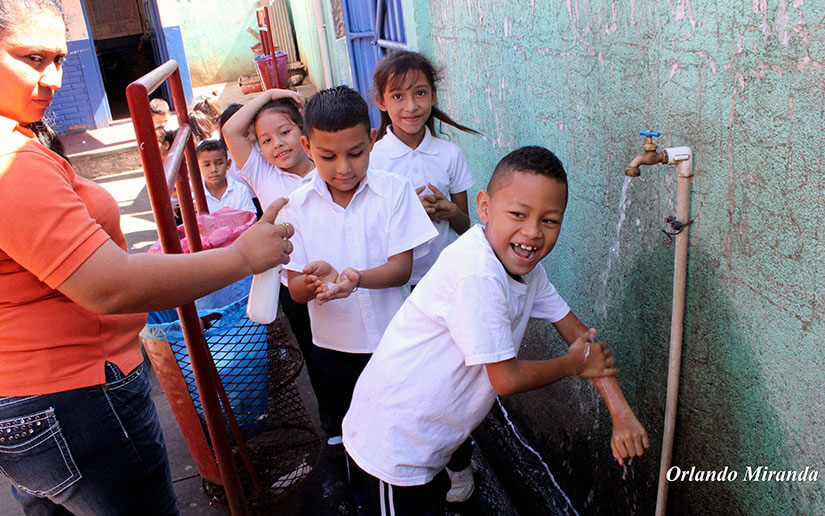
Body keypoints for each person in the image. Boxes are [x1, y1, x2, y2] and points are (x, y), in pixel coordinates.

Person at [0, 1, 294, 514]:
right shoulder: (12, 161)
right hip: (74, 398)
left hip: (29, 400)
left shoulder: (20, 138)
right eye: (31, 58)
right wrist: (245, 256)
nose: (51, 78)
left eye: (60, 60)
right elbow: (108, 285)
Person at [343, 146, 650, 516]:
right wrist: (571, 365)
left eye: (550, 221)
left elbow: (581, 339)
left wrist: (622, 414)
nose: (533, 232)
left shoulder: (526, 271)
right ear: (484, 207)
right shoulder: (478, 274)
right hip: (393, 445)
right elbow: (505, 378)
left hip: (426, 442)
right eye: (518, 214)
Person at [283, 85, 437, 459]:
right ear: (307, 147)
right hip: (335, 348)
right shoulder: (296, 207)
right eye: (327, 156)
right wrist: (313, 280)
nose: (344, 168)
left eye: (355, 153)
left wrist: (354, 279)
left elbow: (401, 270)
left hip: (395, 337)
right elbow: (296, 292)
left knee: (411, 423)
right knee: (357, 430)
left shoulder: (395, 192)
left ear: (371, 140)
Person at [369, 48, 480, 502]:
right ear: (381, 102)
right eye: (398, 96)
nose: (410, 106)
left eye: (420, 93)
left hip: (446, 284)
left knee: (450, 381)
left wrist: (450, 210)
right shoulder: (375, 159)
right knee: (409, 377)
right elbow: (371, 233)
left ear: (433, 96)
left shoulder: (449, 153)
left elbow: (468, 227)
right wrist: (407, 212)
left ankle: (459, 463)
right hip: (398, 287)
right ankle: (412, 459)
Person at [222, 89, 324, 436]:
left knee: (345, 350)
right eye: (265, 140)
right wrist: (269, 94)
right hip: (291, 284)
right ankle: (334, 423)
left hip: (334, 276)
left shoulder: (325, 166)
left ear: (304, 132)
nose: (277, 144)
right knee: (314, 353)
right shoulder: (263, 175)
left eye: (284, 132)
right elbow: (231, 131)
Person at [196, 138, 256, 214]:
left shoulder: (241, 190)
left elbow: (249, 218)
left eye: (219, 163)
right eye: (207, 165)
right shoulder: (195, 197)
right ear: (198, 168)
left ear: (228, 164)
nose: (214, 169)